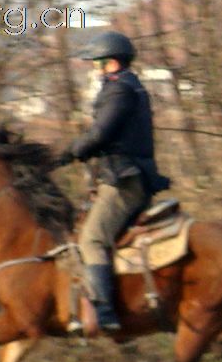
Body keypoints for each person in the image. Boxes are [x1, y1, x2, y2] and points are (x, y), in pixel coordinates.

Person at [59, 31, 170, 332]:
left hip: (124, 180)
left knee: (91, 239)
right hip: (124, 175)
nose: (94, 70)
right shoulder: (128, 88)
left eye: (97, 64)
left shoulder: (120, 91)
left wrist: (69, 153)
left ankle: (105, 311)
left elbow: (100, 135)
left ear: (111, 63)